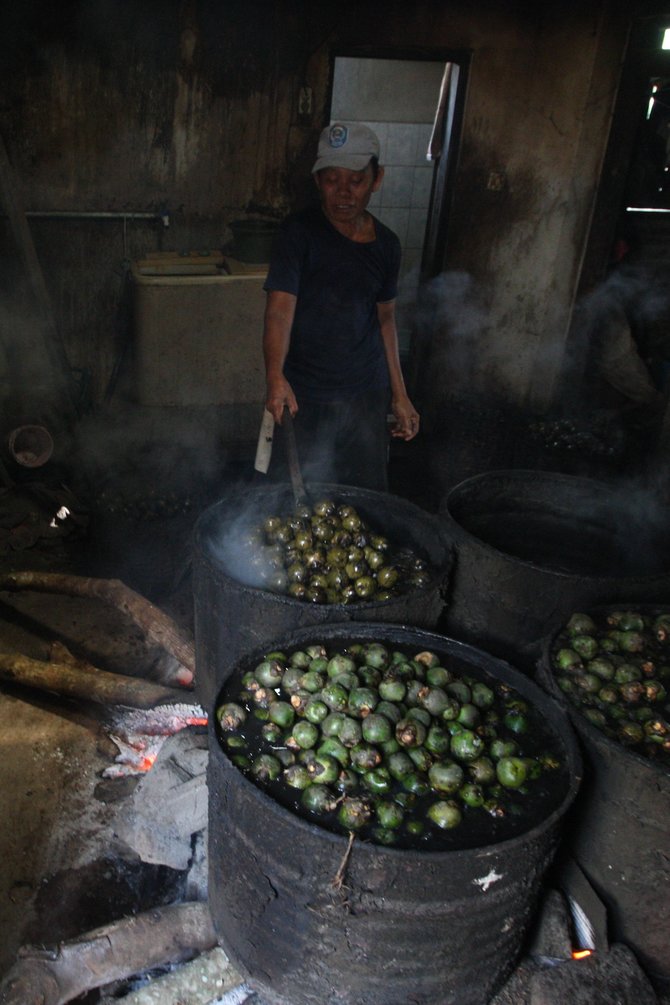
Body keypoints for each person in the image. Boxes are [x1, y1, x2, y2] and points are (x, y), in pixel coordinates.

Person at [262, 121, 420, 492]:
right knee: (293, 497)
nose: (343, 193)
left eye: (356, 180)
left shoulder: (387, 245)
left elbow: (385, 319)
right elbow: (280, 309)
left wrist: (400, 393)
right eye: (332, 180)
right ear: (318, 181)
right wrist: (275, 377)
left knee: (365, 495)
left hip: (365, 395)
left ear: (377, 179)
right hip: (304, 395)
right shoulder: (297, 233)